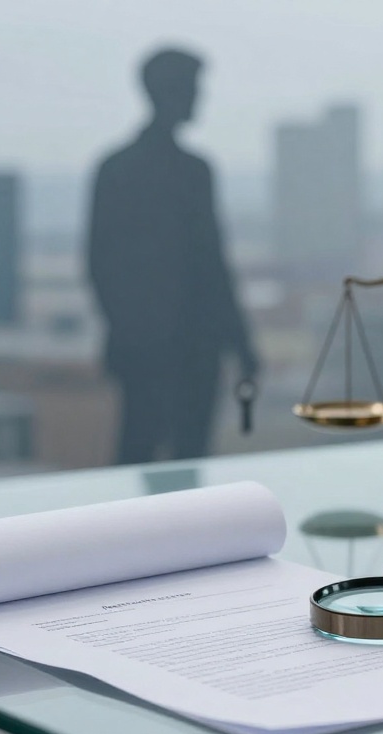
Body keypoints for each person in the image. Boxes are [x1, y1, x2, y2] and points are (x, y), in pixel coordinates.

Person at [88, 48, 260, 464]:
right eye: (192, 88)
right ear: (169, 92)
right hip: (184, 347)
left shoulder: (118, 169)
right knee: (174, 462)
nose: (199, 98)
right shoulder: (187, 171)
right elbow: (213, 267)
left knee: (146, 459)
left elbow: (100, 266)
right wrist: (241, 345)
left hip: (163, 346)